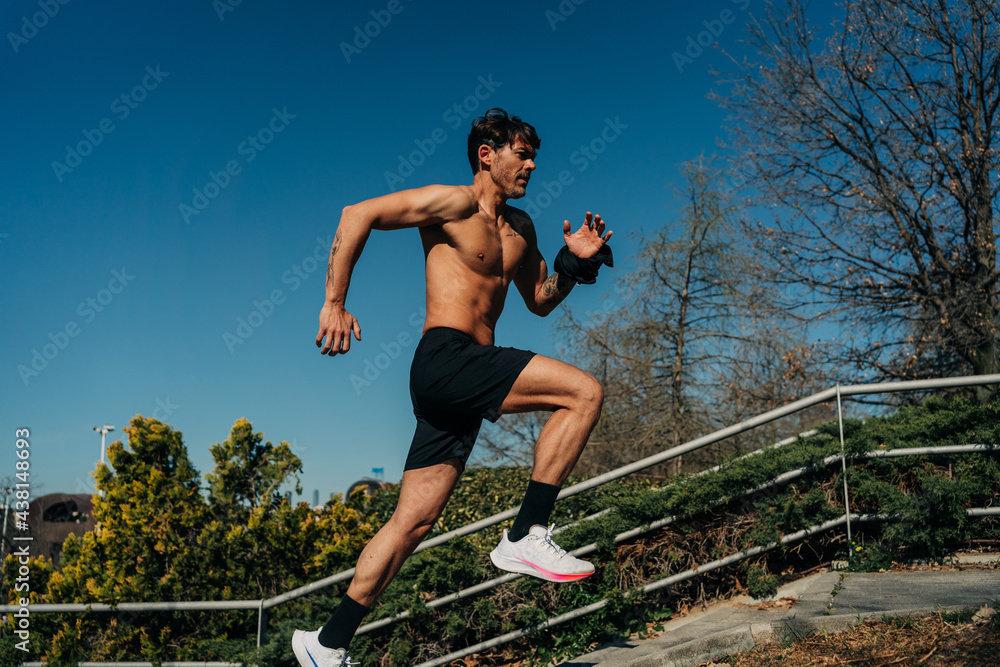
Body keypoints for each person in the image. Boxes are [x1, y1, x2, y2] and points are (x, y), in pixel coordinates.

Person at [293, 108, 613, 667]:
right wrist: (334, 302)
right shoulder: (451, 204)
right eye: (522, 154)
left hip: (467, 373)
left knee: (412, 522)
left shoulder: (522, 229)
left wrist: (573, 267)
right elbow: (357, 214)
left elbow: (539, 300)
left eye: (535, 157)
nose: (532, 166)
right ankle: (526, 532)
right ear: (487, 155)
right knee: (583, 392)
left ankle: (326, 644)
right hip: (446, 357)